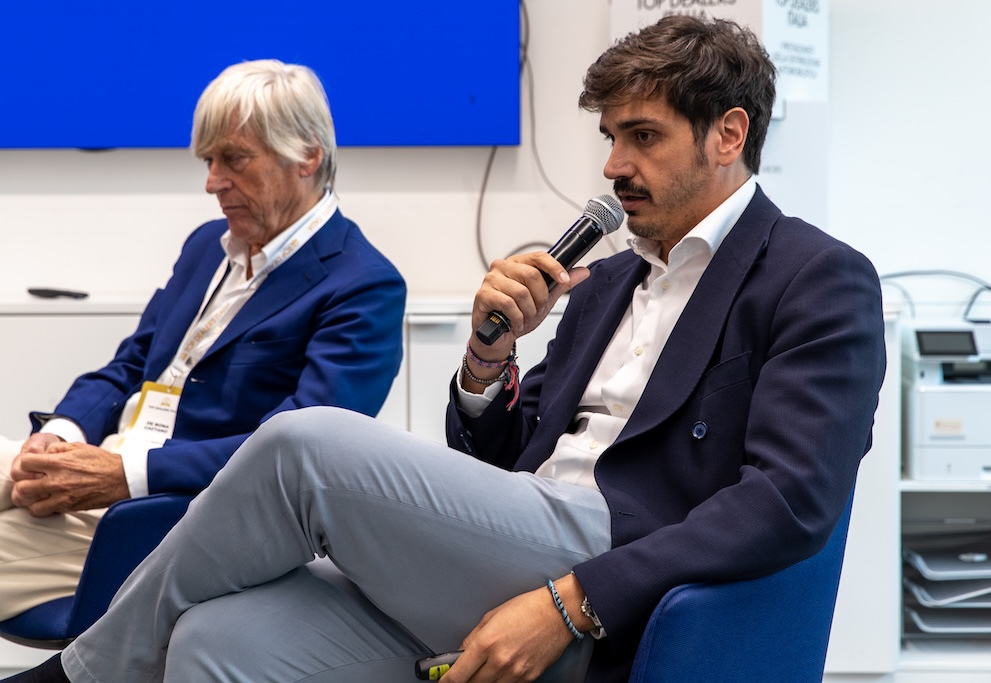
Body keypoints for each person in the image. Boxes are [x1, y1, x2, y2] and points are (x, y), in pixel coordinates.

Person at [5, 15, 886, 683]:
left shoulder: (815, 276)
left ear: (728, 134)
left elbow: (789, 500)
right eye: (611, 138)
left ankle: (80, 674)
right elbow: (504, 454)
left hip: (620, 563)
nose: (614, 165)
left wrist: (574, 602)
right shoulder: (606, 279)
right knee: (218, 638)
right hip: (520, 531)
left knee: (304, 442)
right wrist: (486, 362)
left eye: (643, 137)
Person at [0, 60, 405, 624]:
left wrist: (125, 476)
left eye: (234, 159)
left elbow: (294, 455)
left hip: (176, 520)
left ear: (307, 156)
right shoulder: (206, 247)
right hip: (106, 474)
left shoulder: (361, 286)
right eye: (209, 161)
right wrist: (62, 433)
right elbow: (131, 364)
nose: (212, 183)